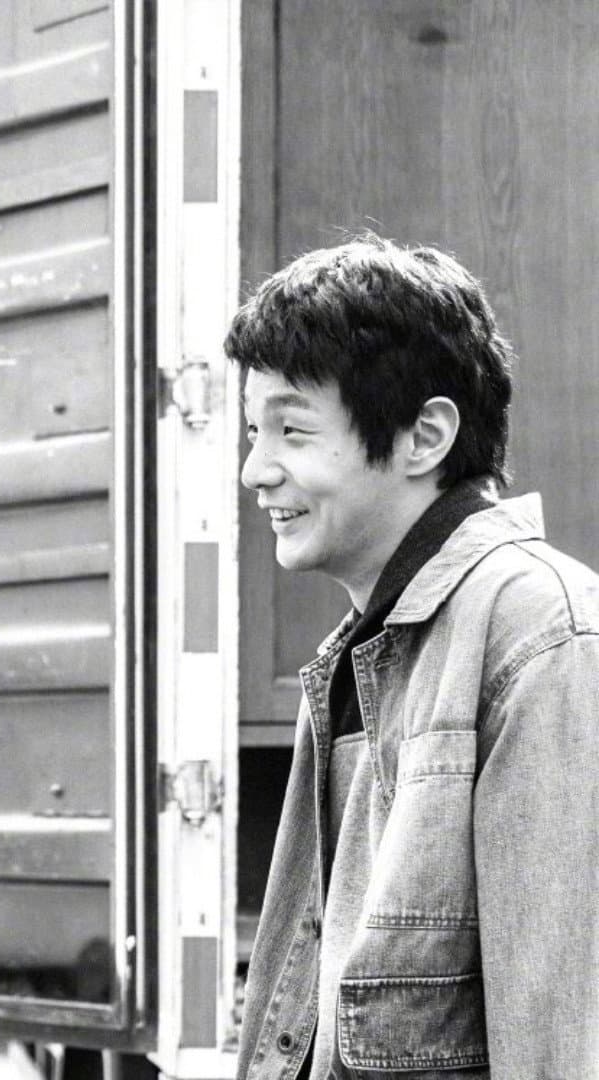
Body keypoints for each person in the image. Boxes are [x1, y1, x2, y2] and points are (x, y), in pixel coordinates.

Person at [232, 236, 599, 1078]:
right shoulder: (358, 648)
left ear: (423, 435)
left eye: (291, 430)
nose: (255, 469)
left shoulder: (541, 634)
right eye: (253, 431)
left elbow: (557, 1044)